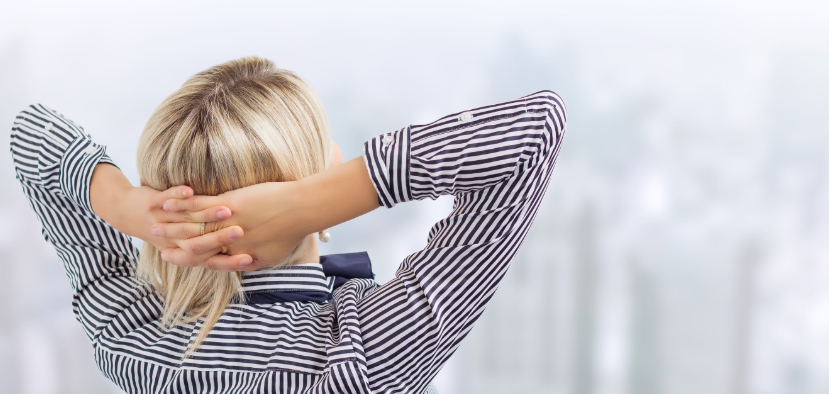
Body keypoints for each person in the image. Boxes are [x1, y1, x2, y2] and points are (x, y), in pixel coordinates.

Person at [11, 56, 567, 393]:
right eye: (325, 166)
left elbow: (30, 133)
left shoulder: (133, 334)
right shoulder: (368, 351)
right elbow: (535, 129)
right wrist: (310, 208)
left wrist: (128, 205)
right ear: (311, 188)